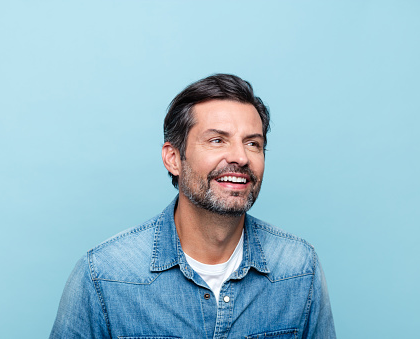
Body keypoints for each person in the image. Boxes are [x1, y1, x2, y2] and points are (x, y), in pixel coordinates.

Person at [50, 74, 336, 338]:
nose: (240, 157)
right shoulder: (104, 275)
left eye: (253, 143)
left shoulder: (299, 268)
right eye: (217, 140)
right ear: (173, 159)